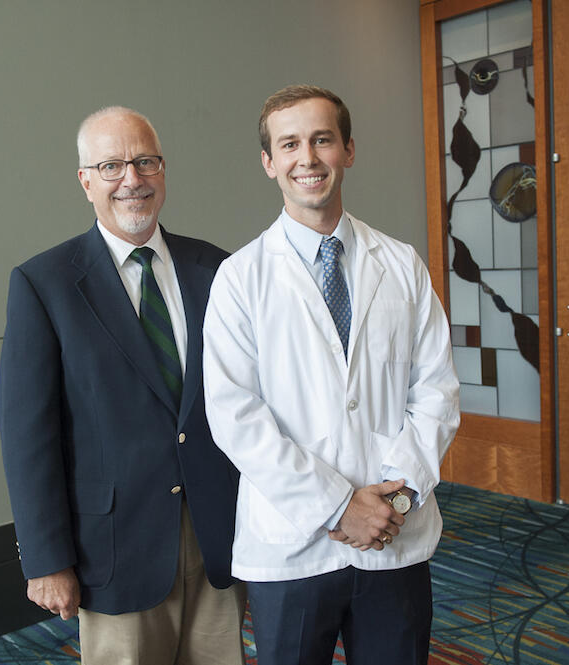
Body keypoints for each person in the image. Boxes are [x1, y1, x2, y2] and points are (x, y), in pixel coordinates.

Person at [202, 85, 460, 664]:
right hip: (293, 543)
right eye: (289, 144)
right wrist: (339, 506)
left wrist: (398, 497)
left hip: (393, 534)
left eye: (322, 140)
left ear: (348, 149)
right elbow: (235, 415)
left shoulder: (401, 264)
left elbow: (436, 391)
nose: (308, 158)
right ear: (268, 162)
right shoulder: (240, 279)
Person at [0, 106, 245, 665]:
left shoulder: (217, 269)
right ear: (85, 181)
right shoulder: (44, 284)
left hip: (218, 538)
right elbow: (28, 437)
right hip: (115, 550)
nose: (132, 179)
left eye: (145, 162)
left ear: (163, 171)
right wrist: (45, 559)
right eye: (111, 166)